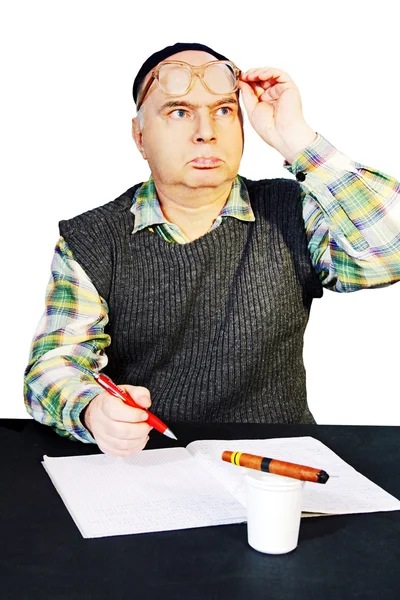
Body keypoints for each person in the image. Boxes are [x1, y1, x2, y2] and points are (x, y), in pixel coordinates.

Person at [24, 42, 400, 457]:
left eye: (223, 110)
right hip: (151, 464)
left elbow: (389, 252)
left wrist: (296, 140)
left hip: (280, 463)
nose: (206, 131)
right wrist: (92, 409)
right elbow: (53, 365)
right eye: (179, 112)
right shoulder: (93, 238)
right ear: (140, 136)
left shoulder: (292, 211)